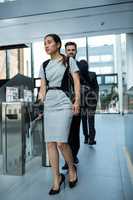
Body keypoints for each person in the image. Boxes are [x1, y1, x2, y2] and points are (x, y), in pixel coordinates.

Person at [38, 34, 80, 195]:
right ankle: (56, 178)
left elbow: (76, 82)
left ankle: (71, 168)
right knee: (50, 143)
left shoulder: (68, 60)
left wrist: (76, 101)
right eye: (44, 44)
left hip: (64, 103)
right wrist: (40, 105)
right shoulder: (44, 65)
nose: (46, 46)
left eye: (49, 42)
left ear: (58, 44)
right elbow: (43, 88)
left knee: (61, 142)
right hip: (50, 103)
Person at [62, 42, 81, 170]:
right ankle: (67, 160)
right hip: (63, 104)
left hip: (76, 103)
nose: (70, 52)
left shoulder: (80, 66)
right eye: (68, 50)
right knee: (65, 134)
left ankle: (73, 156)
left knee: (74, 132)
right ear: (65, 51)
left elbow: (81, 85)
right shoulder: (62, 65)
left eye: (73, 50)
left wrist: (78, 101)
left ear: (76, 51)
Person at [79, 60, 99, 145]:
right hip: (91, 100)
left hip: (82, 101)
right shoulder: (93, 74)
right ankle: (91, 139)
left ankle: (86, 138)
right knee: (91, 120)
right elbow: (96, 88)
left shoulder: (78, 76)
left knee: (84, 120)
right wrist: (95, 98)